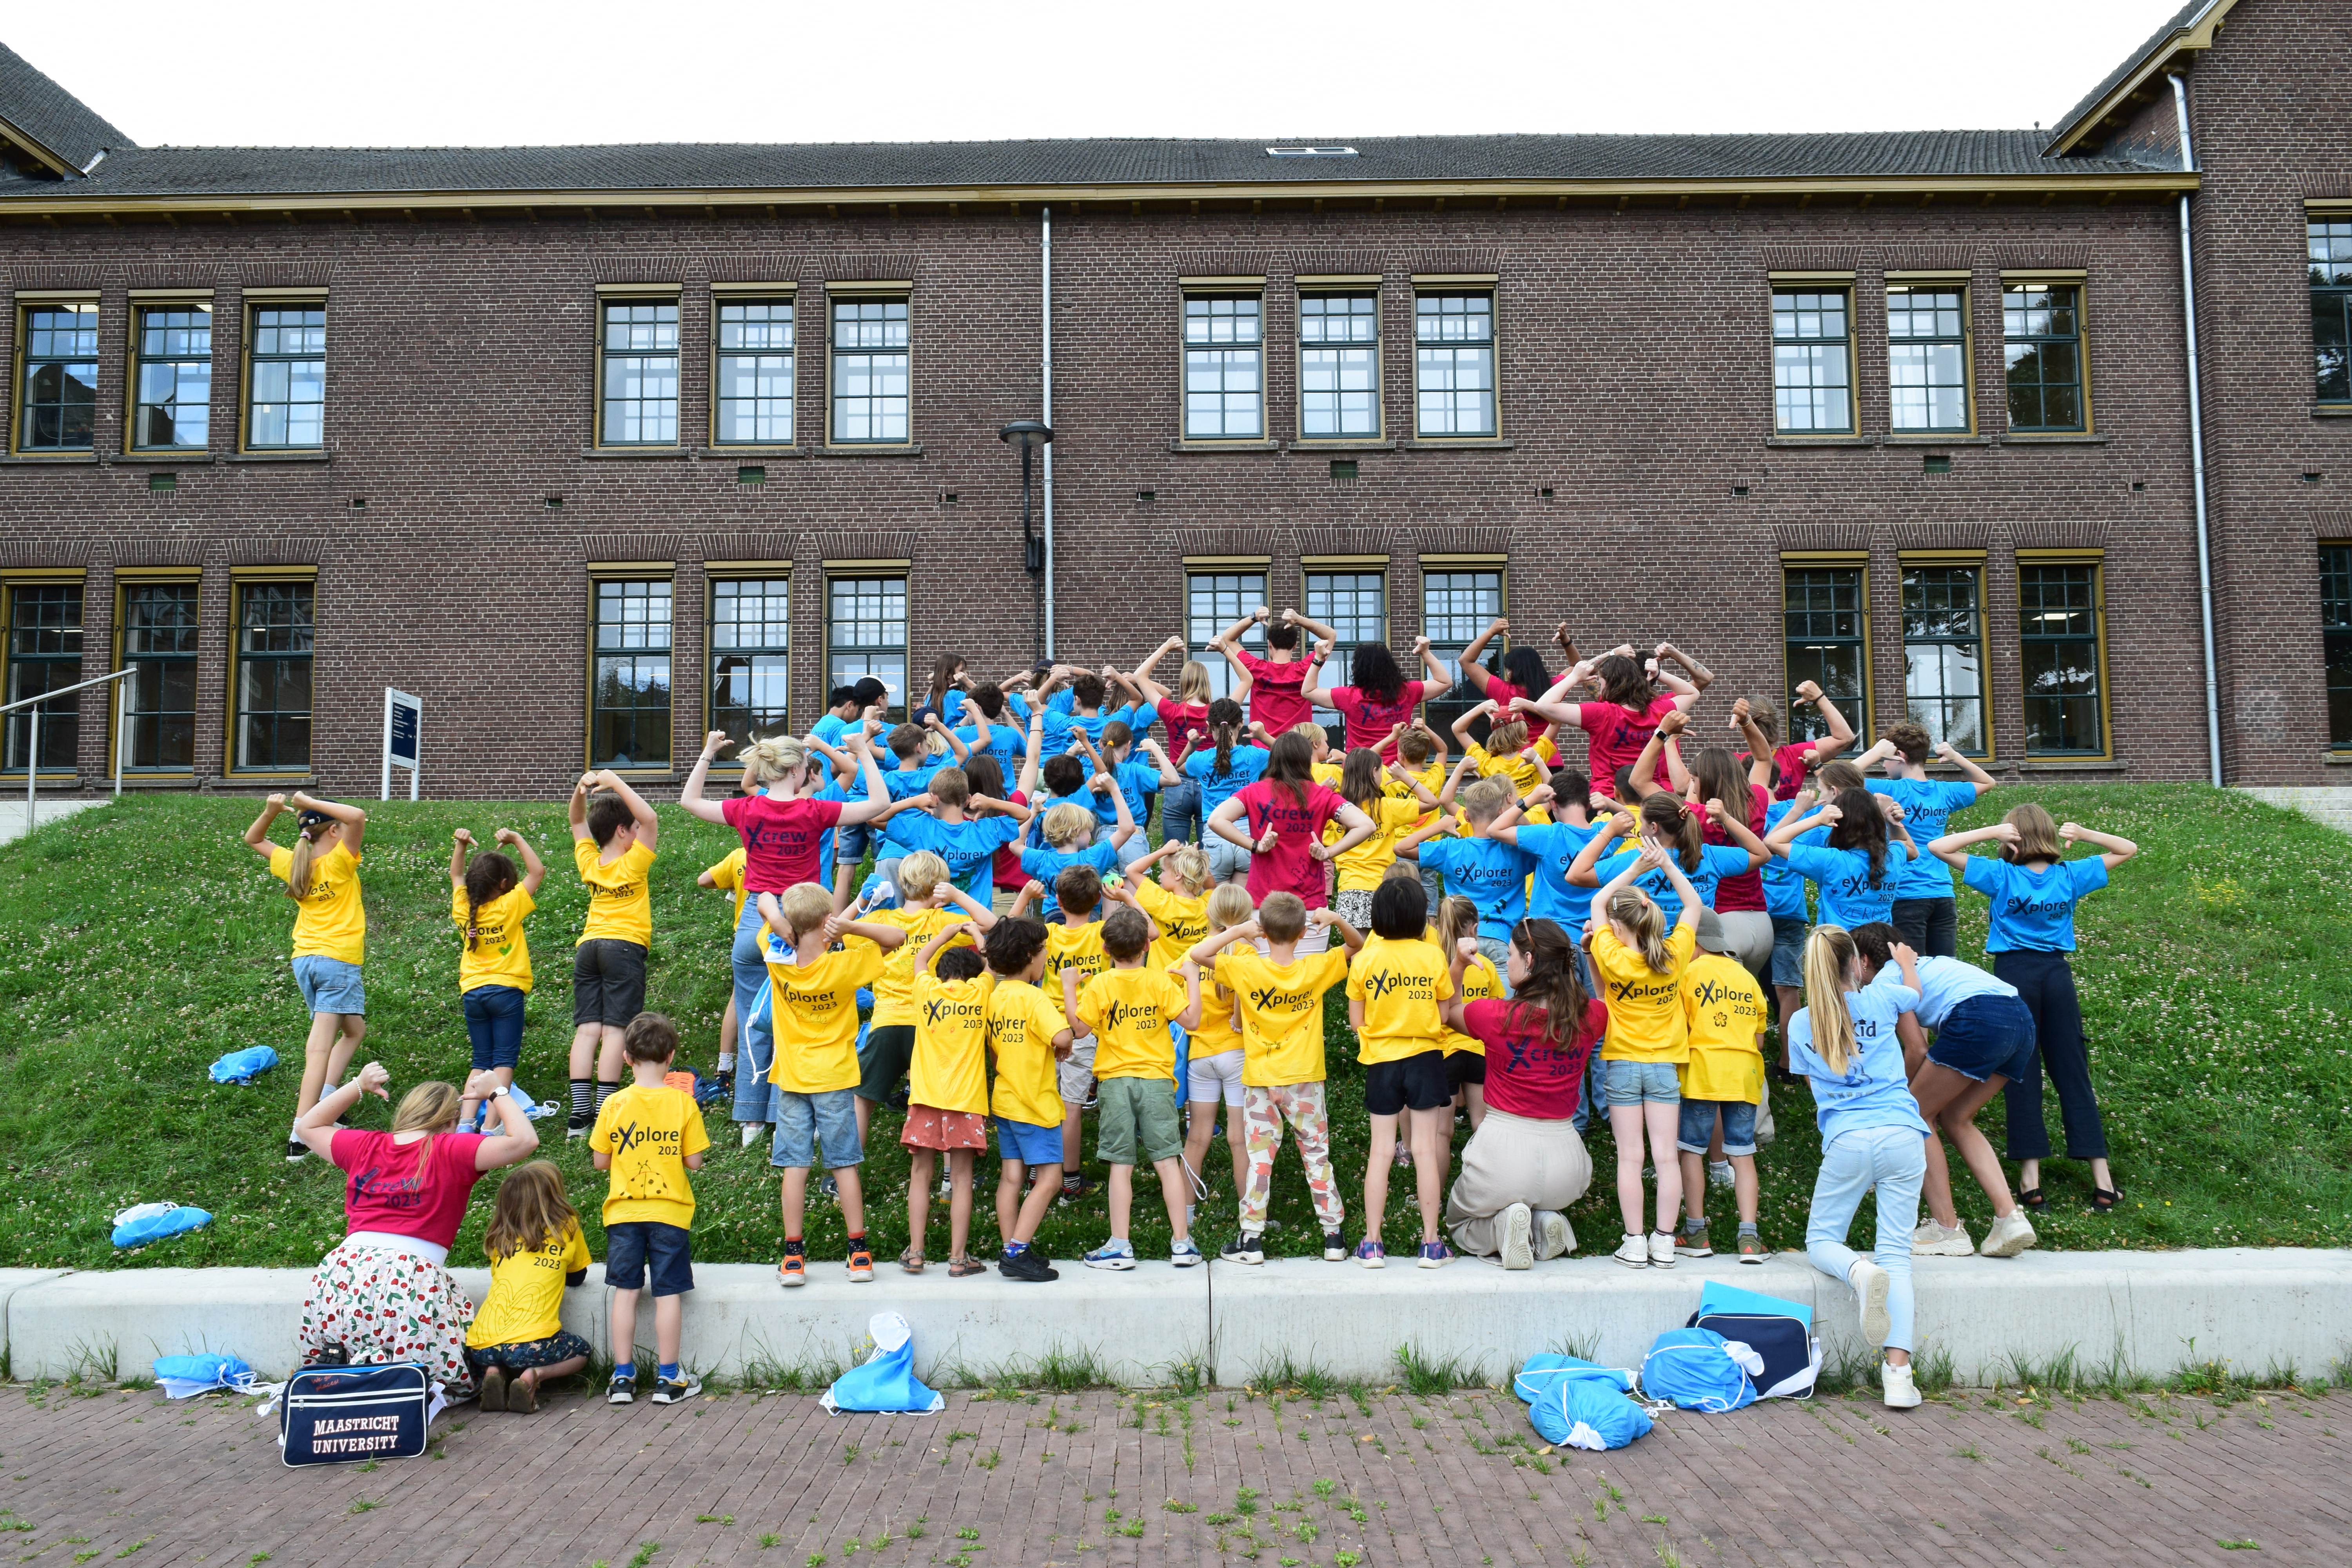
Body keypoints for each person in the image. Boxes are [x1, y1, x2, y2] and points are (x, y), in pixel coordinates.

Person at [1931, 804, 2137, 1213]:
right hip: (2057, 975)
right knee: (2072, 1069)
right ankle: (2103, 1181)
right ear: (2050, 836)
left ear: (2015, 837)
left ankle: (2031, 1182)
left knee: (2019, 1071)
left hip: (2013, 975)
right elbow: (2127, 848)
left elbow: (1939, 846)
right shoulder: (2070, 875)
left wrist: (1992, 830)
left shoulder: (2000, 875)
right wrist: (2086, 833)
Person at [292, 1060, 539, 1398]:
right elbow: (525, 1140)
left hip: (342, 1278)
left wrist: (358, 1085)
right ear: (452, 1122)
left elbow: (307, 1127)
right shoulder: (452, 1149)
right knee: (434, 1378)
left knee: (350, 1368)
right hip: (409, 1280)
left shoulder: (365, 1145)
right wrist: (497, 1091)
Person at [1785, 925, 1930, 1411]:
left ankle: (1857, 1271)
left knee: (1822, 1240)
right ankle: (1898, 1376)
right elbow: (1915, 992)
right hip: (1903, 1135)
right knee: (1897, 1255)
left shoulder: (1801, 1025)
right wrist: (1906, 959)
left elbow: (1815, 1092)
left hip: (1848, 1138)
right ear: (1856, 965)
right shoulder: (1882, 997)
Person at [1183, 893, 1361, 1265]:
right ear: (1301, 933)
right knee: (1317, 1155)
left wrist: (1238, 932)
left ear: (1262, 932)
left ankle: (1251, 1240)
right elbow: (1357, 945)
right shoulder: (1315, 968)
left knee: (1259, 1159)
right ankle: (1334, 1238)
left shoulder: (1247, 971)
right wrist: (1336, 920)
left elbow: (1199, 955)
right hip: (1306, 1080)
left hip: (1262, 1081)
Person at [1846, 922, 2039, 1260]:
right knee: (1957, 1118)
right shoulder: (1919, 968)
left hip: (1980, 1017)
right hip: (2020, 1019)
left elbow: (1917, 1049)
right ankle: (2009, 1217)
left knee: (1915, 1115)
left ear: (1863, 960)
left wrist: (1894, 1094)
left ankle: (1946, 1229)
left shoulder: (1888, 979)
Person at [759, 884, 907, 1287]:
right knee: (844, 1163)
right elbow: (898, 938)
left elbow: (764, 899)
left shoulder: (777, 956)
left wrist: (778, 919)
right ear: (828, 922)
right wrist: (849, 928)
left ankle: (793, 1257)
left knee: (795, 1165)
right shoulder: (846, 967)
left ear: (790, 923)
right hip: (836, 1078)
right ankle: (859, 1252)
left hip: (791, 1079)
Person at [1436, 917, 1606, 1268]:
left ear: (1528, 962)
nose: (1507, 962)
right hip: (1567, 1162)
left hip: (1504, 1152)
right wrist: (1590, 954)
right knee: (1540, 1198)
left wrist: (1457, 963)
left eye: (1511, 955)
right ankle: (1545, 1221)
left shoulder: (1496, 1015)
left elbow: (1448, 1011)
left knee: (1459, 1222)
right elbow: (1603, 998)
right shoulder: (1589, 1017)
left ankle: (1503, 1226)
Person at [1586, 844, 1703, 1270]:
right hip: (1664, 1068)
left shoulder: (1612, 956)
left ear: (1618, 926)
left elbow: (1598, 899)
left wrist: (1635, 866)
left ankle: (1635, 1242)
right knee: (1666, 1156)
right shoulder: (1674, 956)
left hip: (1620, 1064)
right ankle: (1666, 1241)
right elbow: (1694, 904)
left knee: (1630, 1157)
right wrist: (1668, 865)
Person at [1075, 906, 1206, 1269]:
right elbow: (1192, 1020)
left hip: (1115, 1083)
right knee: (1166, 1162)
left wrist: (1071, 990)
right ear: (1147, 947)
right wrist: (1192, 979)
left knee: (1121, 1165)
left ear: (1106, 951)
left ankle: (1120, 1246)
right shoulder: (1160, 981)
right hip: (1157, 1082)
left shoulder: (1100, 984)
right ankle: (1182, 1244)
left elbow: (1080, 1030)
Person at [243, 791, 368, 1163]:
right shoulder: (340, 864)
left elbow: (253, 839)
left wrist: (268, 813)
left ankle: (327, 1104)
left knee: (354, 1031)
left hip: (306, 963)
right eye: (340, 828)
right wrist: (304, 800)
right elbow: (358, 815)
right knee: (319, 1047)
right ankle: (302, 1131)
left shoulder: (292, 862)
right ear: (332, 833)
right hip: (337, 963)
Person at [590, 1012, 708, 1405]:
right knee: (667, 1292)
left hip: (623, 1213)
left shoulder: (614, 1103)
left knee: (625, 1292)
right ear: (672, 1056)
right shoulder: (683, 1103)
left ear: (626, 1058)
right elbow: (694, 1162)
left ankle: (622, 1377)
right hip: (670, 1214)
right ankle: (669, 1377)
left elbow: (600, 1162)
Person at [1345, 878, 1457, 1269]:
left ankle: (1373, 1243)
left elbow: (1356, 1021)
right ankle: (1431, 1243)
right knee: (1424, 1150)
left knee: (1381, 1152)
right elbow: (1444, 1014)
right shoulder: (1432, 956)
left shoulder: (1364, 960)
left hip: (1381, 1061)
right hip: (1426, 1057)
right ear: (1419, 917)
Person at [853, 851, 997, 1144]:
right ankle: (948, 1171)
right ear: (939, 888)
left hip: (886, 1022)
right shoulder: (943, 920)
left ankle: (846, 1171)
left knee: (862, 1099)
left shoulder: (881, 919)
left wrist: (860, 903)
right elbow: (990, 924)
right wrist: (957, 896)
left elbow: (838, 934)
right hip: (931, 1025)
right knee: (941, 1099)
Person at [1207, 730, 1375, 949]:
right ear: (1306, 760)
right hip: (1311, 907)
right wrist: (1329, 852)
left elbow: (1216, 820)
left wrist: (1255, 845)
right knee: (1310, 980)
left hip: (1263, 905)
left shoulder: (1254, 792)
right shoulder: (1322, 794)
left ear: (1275, 758)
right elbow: (1366, 825)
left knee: (1265, 980)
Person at [564, 768, 661, 1137]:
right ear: (623, 831)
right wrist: (614, 780)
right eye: (633, 829)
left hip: (589, 948)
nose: (639, 832)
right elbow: (650, 817)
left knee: (588, 1031)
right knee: (616, 1030)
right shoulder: (634, 861)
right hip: (623, 948)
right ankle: (604, 1111)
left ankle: (579, 1116)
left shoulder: (590, 862)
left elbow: (576, 818)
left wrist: (581, 789)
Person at [981, 916, 1078, 1281]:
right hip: (1036, 1105)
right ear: (1029, 957)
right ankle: (1017, 1249)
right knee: (1051, 1179)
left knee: (1012, 1178)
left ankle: (1012, 1250)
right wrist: (1059, 1041)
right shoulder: (1034, 997)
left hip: (1005, 1100)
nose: (1045, 961)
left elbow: (994, 1050)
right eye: (1043, 955)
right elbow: (1065, 1038)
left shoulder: (993, 996)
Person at [1672, 911, 1771, 1263]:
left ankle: (1696, 1232)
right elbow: (1759, 1041)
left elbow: (1678, 1031)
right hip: (1744, 1076)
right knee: (1742, 1154)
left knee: (1691, 1151)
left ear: (1695, 943)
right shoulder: (1746, 978)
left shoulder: (1689, 974)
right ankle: (1749, 1240)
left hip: (1702, 1073)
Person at [1855, 723, 1998, 957]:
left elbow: (1839, 779)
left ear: (1899, 756)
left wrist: (1874, 753)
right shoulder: (1944, 792)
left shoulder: (1888, 788)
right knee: (1944, 973)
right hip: (1942, 894)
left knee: (1912, 971)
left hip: (1905, 894)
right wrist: (1955, 757)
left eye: (1886, 760)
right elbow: (1987, 782)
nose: (1883, 765)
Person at [465, 1161, 592, 1413]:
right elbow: (578, 1277)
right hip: (530, 1346)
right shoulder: (567, 1227)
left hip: (481, 1344)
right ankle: (533, 1377)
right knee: (582, 1352)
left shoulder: (499, 1236)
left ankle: (493, 1373)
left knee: (496, 1354)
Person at [903, 930, 995, 1277]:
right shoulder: (980, 992)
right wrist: (975, 933)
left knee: (921, 1174)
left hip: (926, 1097)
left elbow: (919, 960)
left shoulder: (926, 990)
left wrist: (945, 933)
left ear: (942, 974)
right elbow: (992, 965)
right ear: (973, 975)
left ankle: (915, 1253)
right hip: (967, 1100)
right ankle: (958, 1259)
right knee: (961, 1177)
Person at [450, 827, 546, 1134]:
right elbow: (538, 871)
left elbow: (455, 877)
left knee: (481, 1061)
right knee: (503, 1062)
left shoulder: (463, 906)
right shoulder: (510, 904)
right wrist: (517, 839)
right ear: (505, 884)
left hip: (473, 993)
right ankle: (491, 1127)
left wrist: (461, 846)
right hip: (506, 993)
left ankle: (465, 1125)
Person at [1399, 775, 1538, 979]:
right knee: (1503, 1009)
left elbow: (1401, 848)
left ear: (1466, 816)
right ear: (1500, 812)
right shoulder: (1517, 851)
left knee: (1461, 1007)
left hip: (1460, 942)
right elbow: (1540, 843)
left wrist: (1439, 825)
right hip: (1503, 941)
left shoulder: (1451, 850)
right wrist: (1515, 812)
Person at [1177, 882, 1256, 1213]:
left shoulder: (1192, 954)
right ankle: (1248, 1215)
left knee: (1196, 1137)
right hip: (1236, 1054)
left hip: (1200, 1056)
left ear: (1209, 914)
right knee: (1240, 1139)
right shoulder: (1247, 954)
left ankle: (1186, 1216)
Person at [1764, 786, 1920, 933]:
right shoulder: (1892, 857)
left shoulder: (1830, 860)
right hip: (1880, 946)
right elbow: (1912, 851)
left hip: (1838, 947)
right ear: (1878, 822)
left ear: (1838, 825)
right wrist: (1893, 821)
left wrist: (1817, 819)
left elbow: (1772, 842)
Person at [1327, 749, 1436, 932]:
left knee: (1358, 955)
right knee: (1385, 950)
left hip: (1349, 887)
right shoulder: (1386, 806)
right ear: (1374, 773)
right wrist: (1405, 777)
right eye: (1381, 770)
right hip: (1383, 889)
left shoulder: (1336, 809)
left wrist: (1324, 790)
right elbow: (1432, 803)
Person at [1304, 637, 1453, 759]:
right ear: (1390, 666)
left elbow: (1308, 691)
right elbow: (1444, 682)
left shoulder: (1348, 696)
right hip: (1398, 772)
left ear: (1358, 669)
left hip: (1361, 772)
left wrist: (1319, 658)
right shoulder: (1407, 692)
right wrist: (1425, 652)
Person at [1129, 640, 1216, 844]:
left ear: (1183, 683)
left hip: (1178, 781)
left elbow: (1141, 675)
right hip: (1209, 781)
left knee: (1175, 854)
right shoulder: (1216, 712)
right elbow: (1247, 681)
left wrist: (1166, 648)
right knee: (1211, 852)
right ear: (1207, 682)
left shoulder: (1171, 711)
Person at [1433, 891, 1505, 1135]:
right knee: (1483, 1124)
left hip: (1443, 1052)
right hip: (1479, 1051)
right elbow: (1497, 1011)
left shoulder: (1433, 964)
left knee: (1441, 1132)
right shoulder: (1486, 965)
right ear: (1474, 928)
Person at [1211, 605, 1335, 738]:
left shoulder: (1255, 668)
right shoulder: (1306, 670)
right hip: (1298, 750)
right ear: (1295, 646)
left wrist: (1254, 617)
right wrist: (1298, 619)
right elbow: (1331, 635)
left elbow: (1228, 638)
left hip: (1262, 750)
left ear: (1269, 644)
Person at [1184, 698, 1270, 886]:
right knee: (1244, 906)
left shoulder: (1199, 760)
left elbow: (1180, 766)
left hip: (1216, 837)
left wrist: (1192, 745)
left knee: (1217, 906)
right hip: (1248, 836)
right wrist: (1263, 736)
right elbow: (1290, 754)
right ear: (1241, 725)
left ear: (1209, 726)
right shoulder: (1254, 756)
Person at [1454, 617, 1572, 742]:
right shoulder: (1553, 688)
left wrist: (1491, 632)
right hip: (1548, 759)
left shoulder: (1502, 690)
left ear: (1512, 672)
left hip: (1514, 759)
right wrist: (1566, 641)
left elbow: (1466, 661)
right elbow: (1577, 667)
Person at [1735, 684, 1857, 802]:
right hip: (1794, 822)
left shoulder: (1735, 762)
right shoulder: (1794, 756)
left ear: (1743, 729)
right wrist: (1819, 697)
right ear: (1776, 725)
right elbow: (1845, 738)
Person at [1018, 799, 1132, 921]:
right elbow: (1128, 829)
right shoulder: (1092, 858)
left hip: (1054, 922)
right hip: (1086, 920)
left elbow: (1015, 845)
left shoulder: (1042, 860)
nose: (1090, 836)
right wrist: (1114, 789)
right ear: (1078, 830)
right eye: (1089, 830)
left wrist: (1034, 812)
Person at [697, 844, 750, 1100]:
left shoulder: (739, 856)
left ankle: (724, 1065)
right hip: (776, 937)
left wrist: (732, 884)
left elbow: (704, 880)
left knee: (737, 998)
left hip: (743, 935)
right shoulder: (784, 852)